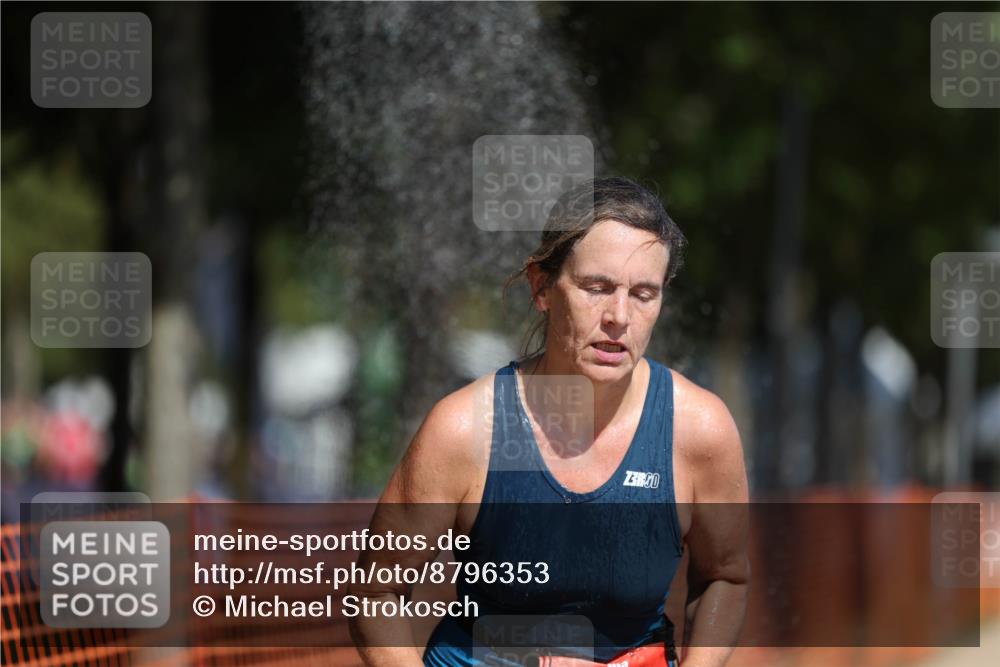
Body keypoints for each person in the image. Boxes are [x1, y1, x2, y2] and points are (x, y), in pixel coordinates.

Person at [350, 177, 750, 667]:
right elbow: (374, 593)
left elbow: (725, 577)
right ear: (542, 287)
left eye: (643, 294)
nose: (618, 316)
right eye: (596, 288)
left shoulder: (698, 431)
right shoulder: (466, 431)